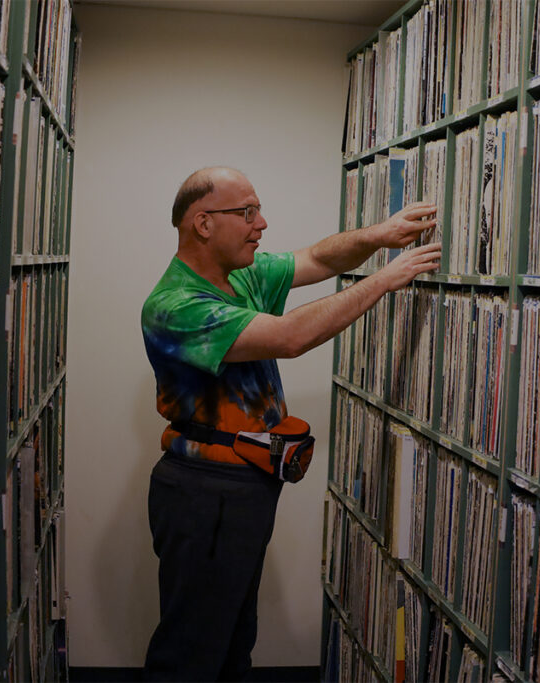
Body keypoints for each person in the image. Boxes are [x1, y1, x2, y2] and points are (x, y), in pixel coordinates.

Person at [140, 166, 440, 680]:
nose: (262, 223)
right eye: (247, 212)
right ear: (203, 224)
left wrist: (380, 235)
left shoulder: (242, 274)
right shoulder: (174, 307)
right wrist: (385, 279)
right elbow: (289, 337)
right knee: (191, 648)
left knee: (233, 635)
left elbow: (321, 258)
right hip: (205, 492)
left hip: (245, 484)